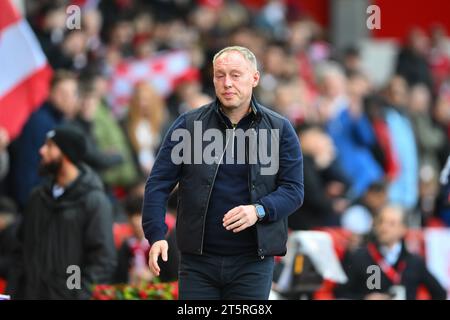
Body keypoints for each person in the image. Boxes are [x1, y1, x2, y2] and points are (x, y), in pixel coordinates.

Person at [142, 46, 304, 299]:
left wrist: (258, 210)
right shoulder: (188, 125)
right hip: (198, 263)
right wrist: (155, 234)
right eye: (220, 75)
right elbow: (158, 184)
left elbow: (294, 190)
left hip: (253, 263)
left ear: (255, 78)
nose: (227, 83)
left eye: (235, 75)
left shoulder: (280, 129)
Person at [8, 126, 117, 299]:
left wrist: (76, 294)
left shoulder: (94, 201)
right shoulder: (37, 197)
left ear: (67, 154)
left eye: (50, 146)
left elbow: (102, 260)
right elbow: (19, 250)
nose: (42, 151)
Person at [335, 205, 446, 300]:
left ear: (403, 229)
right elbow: (340, 293)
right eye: (381, 222)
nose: (384, 227)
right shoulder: (359, 257)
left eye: (391, 223)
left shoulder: (414, 262)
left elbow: (440, 293)